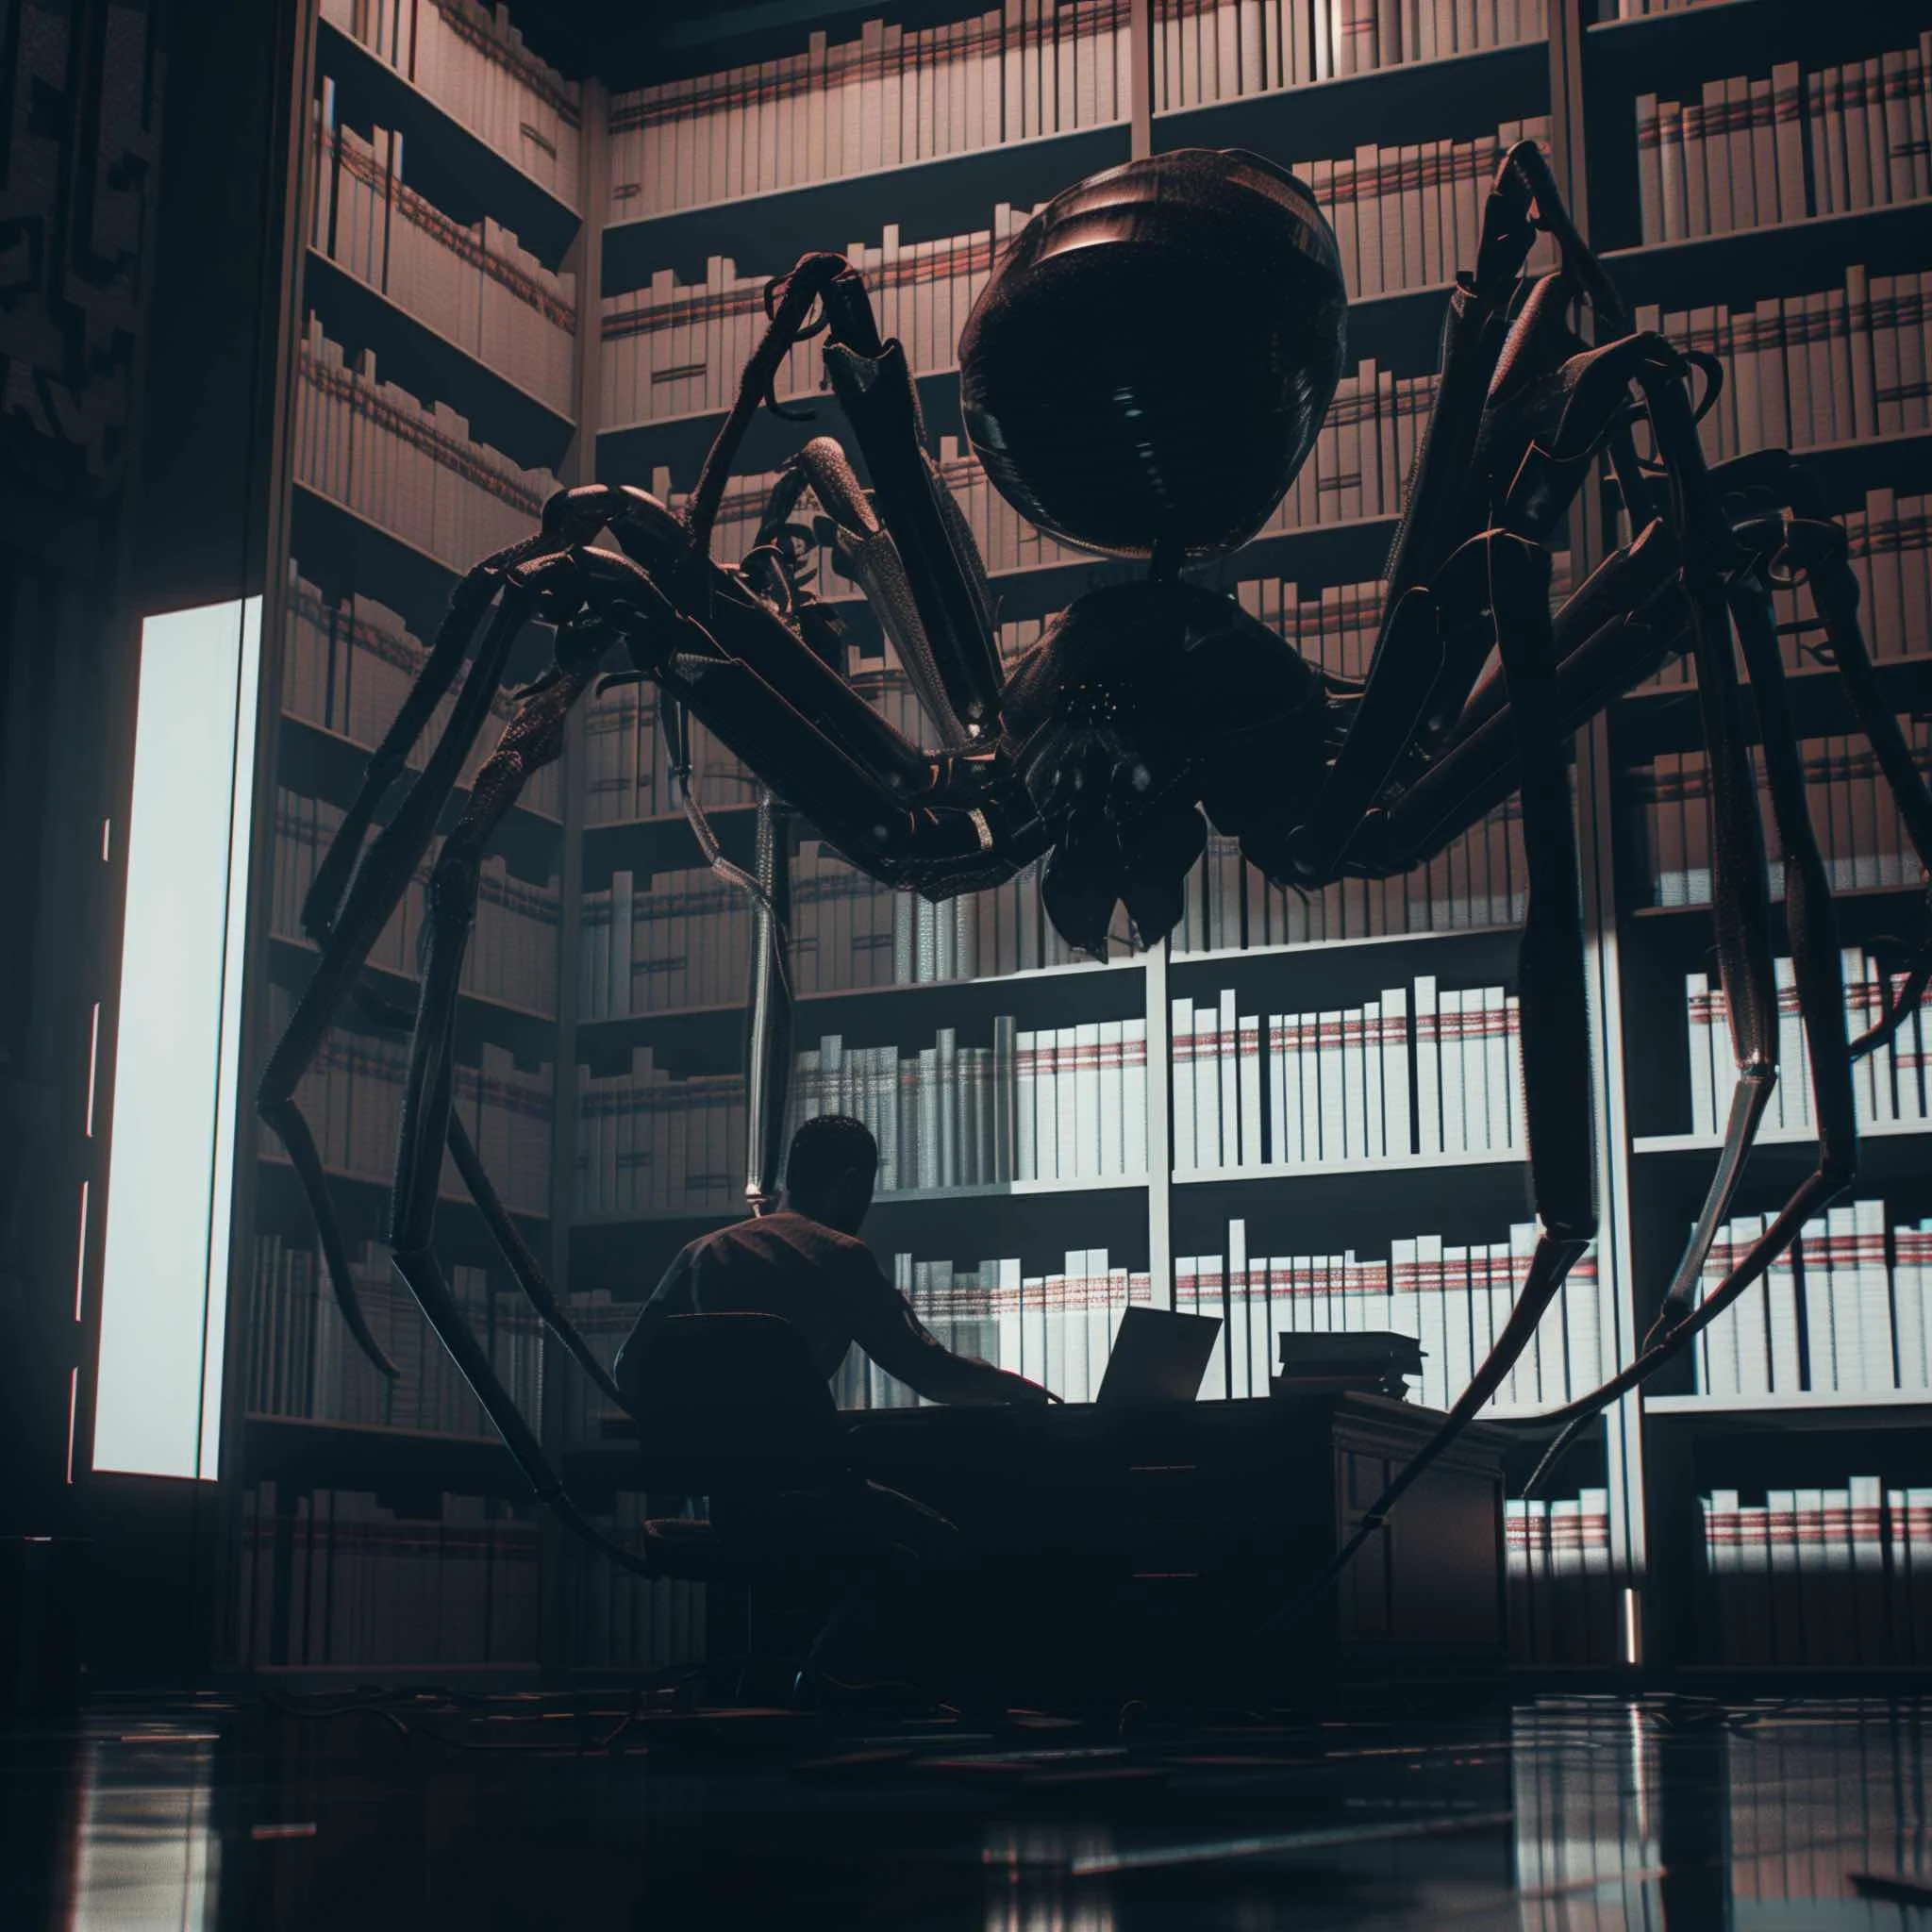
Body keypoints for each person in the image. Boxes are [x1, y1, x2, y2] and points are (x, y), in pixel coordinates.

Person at [613, 1113, 1053, 1411]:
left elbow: (630, 1369)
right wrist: (1016, 1390)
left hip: (718, 1495)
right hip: (806, 1490)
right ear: (851, 1184)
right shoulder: (839, 1255)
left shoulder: (702, 1252)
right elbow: (929, 1372)